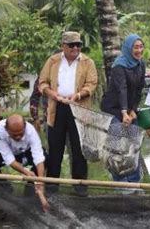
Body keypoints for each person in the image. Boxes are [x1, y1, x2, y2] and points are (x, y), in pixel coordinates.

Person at [38, 31, 98, 196]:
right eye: (71, 45)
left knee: (79, 150)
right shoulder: (53, 61)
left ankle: (80, 188)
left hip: (79, 108)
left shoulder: (87, 62)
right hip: (57, 108)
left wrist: (78, 95)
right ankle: (52, 188)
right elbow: (42, 83)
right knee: (55, 149)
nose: (75, 48)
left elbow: (92, 83)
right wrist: (52, 94)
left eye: (78, 44)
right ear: (62, 46)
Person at [101, 34, 146, 183]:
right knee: (117, 147)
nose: (139, 50)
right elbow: (122, 89)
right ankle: (120, 182)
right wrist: (124, 112)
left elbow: (139, 89)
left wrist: (133, 109)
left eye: (141, 47)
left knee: (133, 145)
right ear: (128, 48)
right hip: (113, 108)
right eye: (135, 47)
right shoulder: (119, 65)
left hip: (128, 109)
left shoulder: (141, 65)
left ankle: (134, 183)